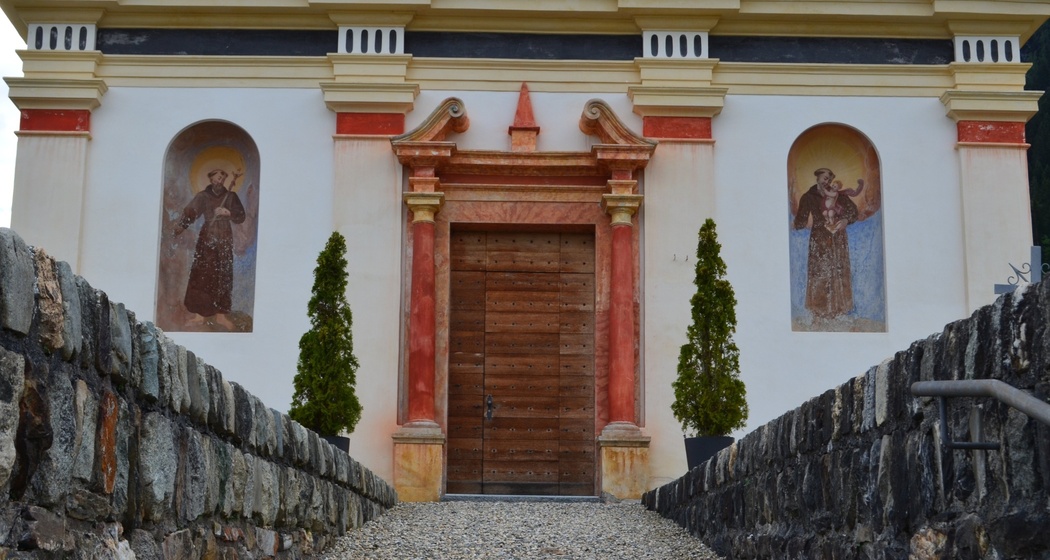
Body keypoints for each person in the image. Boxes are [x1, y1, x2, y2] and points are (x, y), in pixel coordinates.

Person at [174, 168, 246, 330]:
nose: (219, 180)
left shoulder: (231, 196)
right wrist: (180, 227)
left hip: (224, 239)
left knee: (223, 274)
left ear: (225, 179)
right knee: (202, 274)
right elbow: (190, 213)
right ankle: (199, 315)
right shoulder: (203, 197)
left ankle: (221, 316)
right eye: (216, 177)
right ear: (211, 179)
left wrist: (228, 212)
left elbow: (240, 216)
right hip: (206, 238)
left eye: (222, 177)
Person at [793, 168, 857, 320]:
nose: (826, 181)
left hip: (838, 239)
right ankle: (818, 313)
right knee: (819, 272)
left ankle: (839, 312)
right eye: (824, 178)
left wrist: (845, 220)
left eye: (828, 179)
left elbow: (853, 210)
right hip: (819, 240)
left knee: (838, 271)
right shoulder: (809, 196)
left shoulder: (839, 196)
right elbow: (801, 221)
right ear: (817, 178)